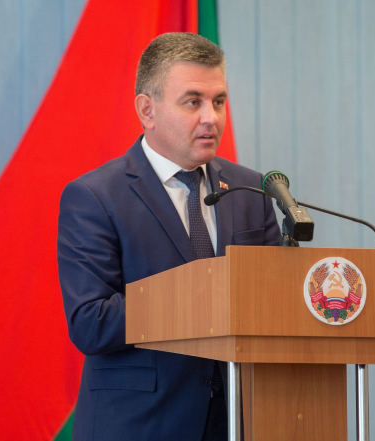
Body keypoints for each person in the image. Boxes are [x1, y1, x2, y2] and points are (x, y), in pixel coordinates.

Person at [57, 32, 281, 441]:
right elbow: (91, 323)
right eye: (193, 102)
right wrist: (202, 296)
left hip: (239, 422)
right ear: (148, 110)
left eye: (218, 101)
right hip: (139, 425)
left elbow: (275, 303)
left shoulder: (252, 191)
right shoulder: (94, 197)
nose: (211, 118)